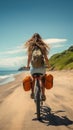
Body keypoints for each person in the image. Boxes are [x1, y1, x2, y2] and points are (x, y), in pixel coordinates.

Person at [25, 33, 50, 101]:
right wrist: (48, 65)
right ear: (40, 38)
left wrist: (27, 66)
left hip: (33, 69)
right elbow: (46, 57)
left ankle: (32, 93)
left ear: (32, 39)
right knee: (42, 79)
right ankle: (43, 95)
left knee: (33, 79)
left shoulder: (31, 46)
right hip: (42, 69)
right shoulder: (42, 46)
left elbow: (29, 58)